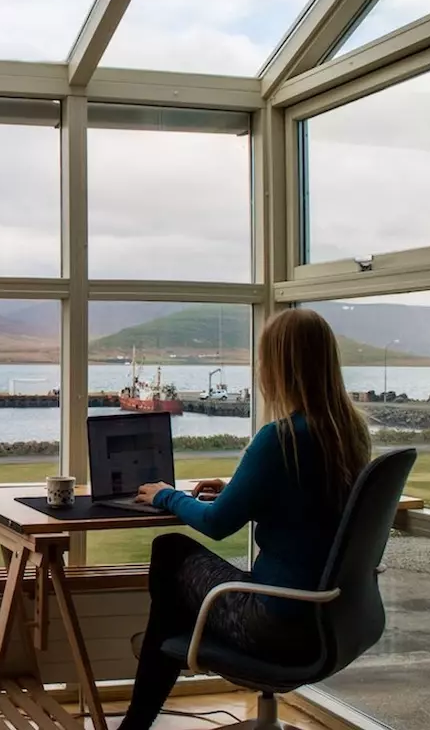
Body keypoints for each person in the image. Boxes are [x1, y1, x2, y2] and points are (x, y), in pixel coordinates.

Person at [118, 308, 372, 729]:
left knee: (170, 550)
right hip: (334, 620)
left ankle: (149, 693)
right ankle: (165, 652)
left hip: (275, 624)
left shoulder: (281, 438)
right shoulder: (350, 434)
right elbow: (306, 502)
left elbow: (217, 524)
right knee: (173, 609)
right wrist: (240, 489)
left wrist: (166, 496)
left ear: (277, 367)